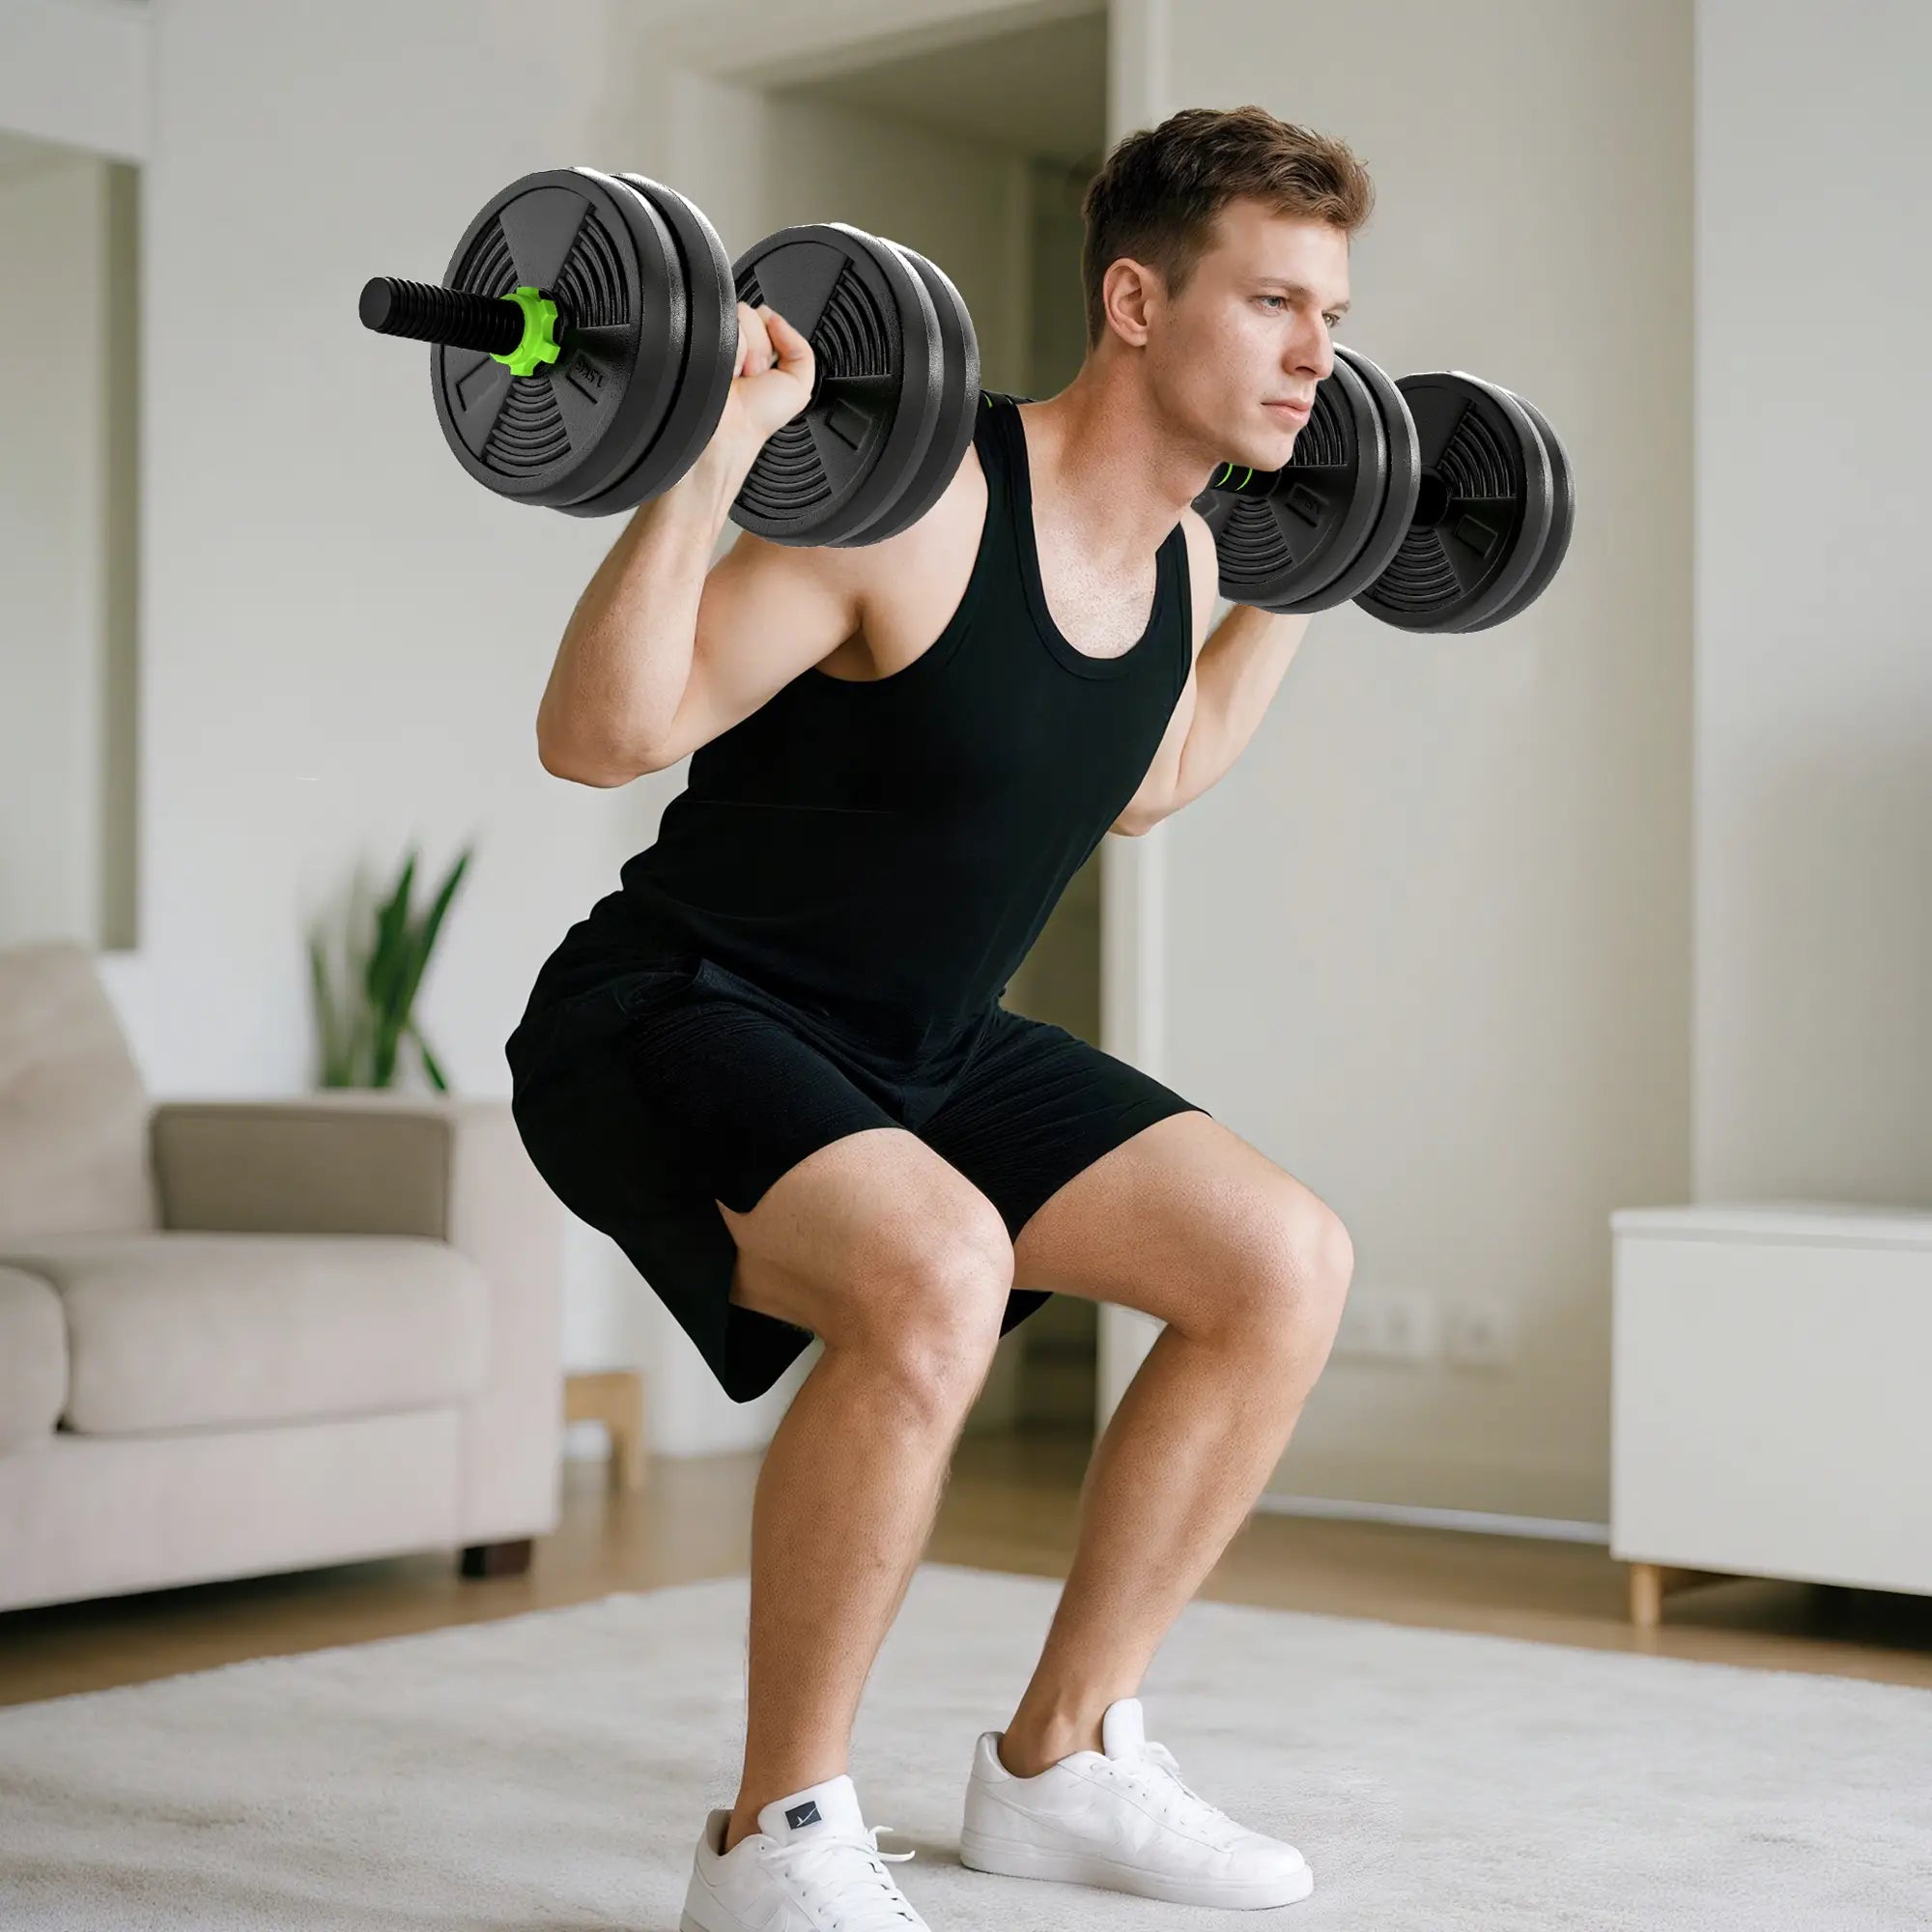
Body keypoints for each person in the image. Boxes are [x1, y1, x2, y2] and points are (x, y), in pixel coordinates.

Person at [507, 104, 1371, 1927]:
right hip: (678, 1006)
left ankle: (1062, 1760)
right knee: (939, 1268)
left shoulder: (1189, 561)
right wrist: (708, 458)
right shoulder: (914, 499)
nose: (1318, 354)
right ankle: (775, 1835)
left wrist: (1312, 577)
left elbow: (1154, 774)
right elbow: (600, 736)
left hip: (922, 1039)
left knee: (1281, 1263)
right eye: (1275, 302)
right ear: (1135, 302)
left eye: (1334, 316)